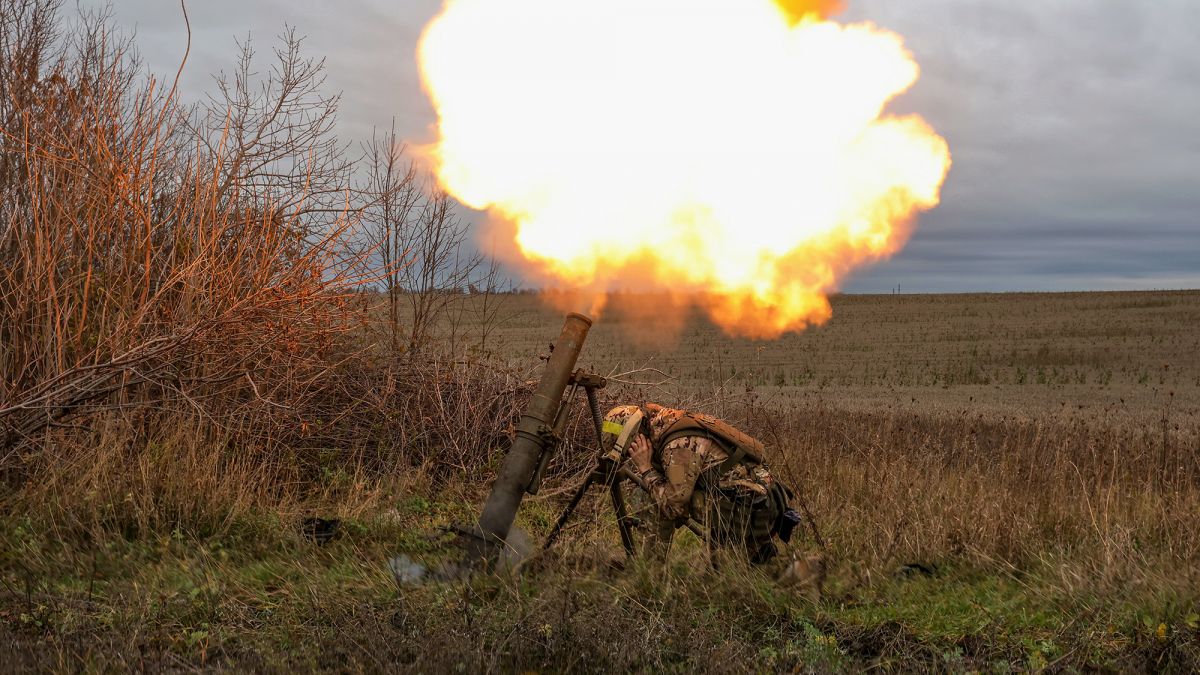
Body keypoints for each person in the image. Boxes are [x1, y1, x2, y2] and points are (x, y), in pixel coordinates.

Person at [601, 403, 804, 567]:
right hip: (752, 503)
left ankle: (651, 570)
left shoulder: (677, 446)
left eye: (628, 451)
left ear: (637, 438)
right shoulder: (668, 424)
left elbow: (674, 507)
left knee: (662, 498)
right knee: (739, 570)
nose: (630, 457)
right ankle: (755, 553)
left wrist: (645, 469)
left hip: (753, 510)